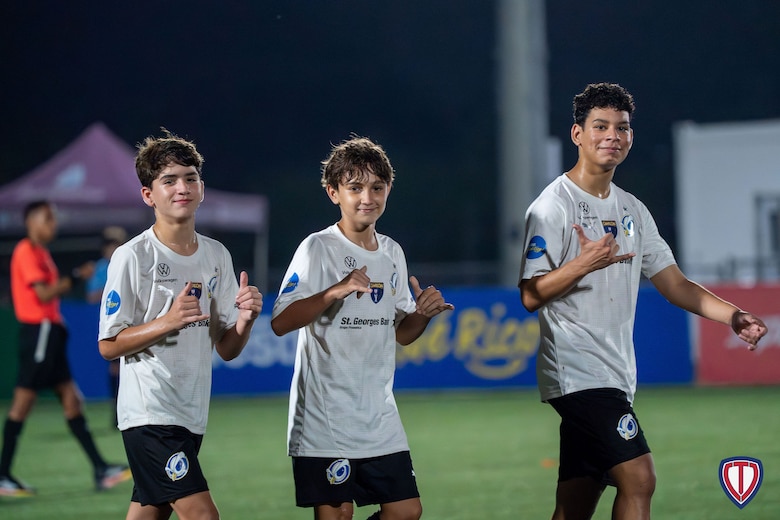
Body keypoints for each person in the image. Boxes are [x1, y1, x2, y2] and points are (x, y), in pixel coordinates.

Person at [518, 82, 768, 520]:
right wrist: (584, 263)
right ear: (578, 134)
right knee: (639, 478)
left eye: (622, 127)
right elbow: (529, 295)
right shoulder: (553, 207)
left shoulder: (632, 209)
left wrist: (733, 315)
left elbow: (675, 284)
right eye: (600, 126)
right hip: (577, 372)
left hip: (615, 374)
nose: (612, 136)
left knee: (576, 502)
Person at [272, 136, 454, 520]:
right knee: (337, 515)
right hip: (325, 418)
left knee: (406, 511)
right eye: (355, 188)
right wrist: (333, 291)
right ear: (333, 193)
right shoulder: (317, 248)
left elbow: (400, 334)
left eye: (377, 187)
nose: (367, 197)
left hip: (379, 415)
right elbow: (281, 321)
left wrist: (421, 315)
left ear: (388, 190)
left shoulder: (392, 252)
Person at [97, 130, 263, 520]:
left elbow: (227, 348)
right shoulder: (133, 256)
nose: (182, 188)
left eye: (190, 178)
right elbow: (108, 345)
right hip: (150, 413)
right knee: (203, 515)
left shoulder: (216, 255)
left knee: (149, 513)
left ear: (201, 188)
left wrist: (245, 320)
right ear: (148, 195)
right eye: (169, 180)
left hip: (191, 412)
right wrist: (167, 322)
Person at [1, 200, 132, 497]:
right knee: (22, 403)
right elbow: (44, 294)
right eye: (48, 219)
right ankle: (2, 474)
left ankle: (100, 468)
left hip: (50, 333)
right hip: (39, 332)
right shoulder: (26, 251)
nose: (53, 224)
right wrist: (74, 277)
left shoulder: (41, 253)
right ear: (31, 222)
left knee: (72, 400)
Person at [85, 225, 128, 427]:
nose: (113, 249)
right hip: (112, 322)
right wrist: (114, 288)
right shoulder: (102, 268)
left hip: (133, 319)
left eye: (117, 244)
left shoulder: (131, 262)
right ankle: (117, 409)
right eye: (110, 245)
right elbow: (92, 296)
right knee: (116, 367)